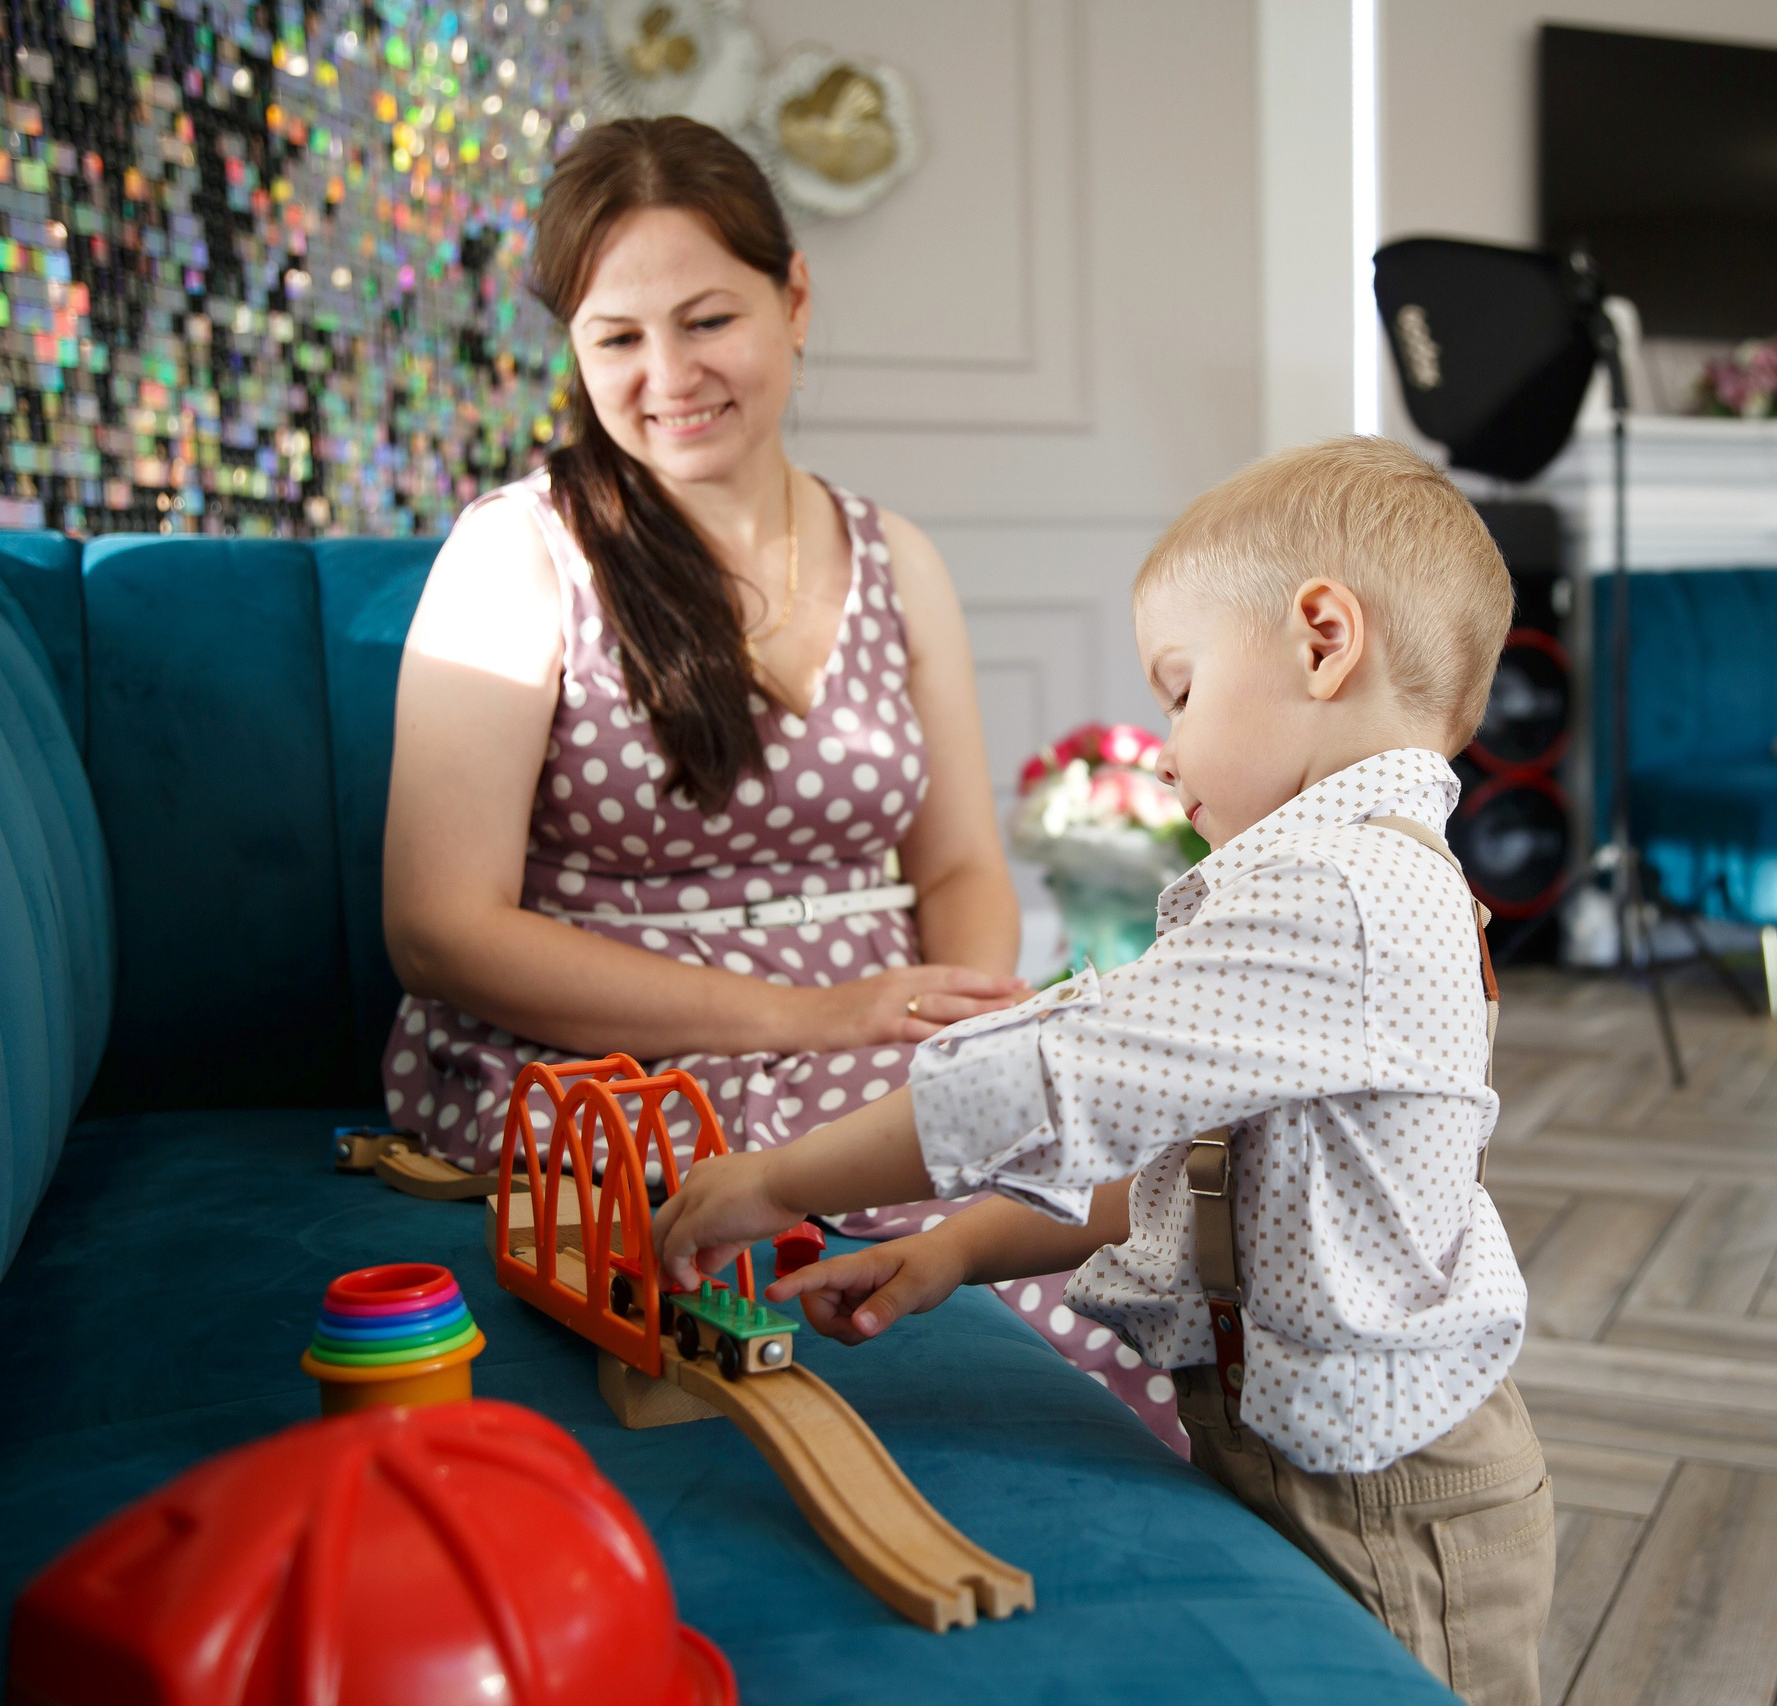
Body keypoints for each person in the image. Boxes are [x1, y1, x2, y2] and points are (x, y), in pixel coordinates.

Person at [653, 437, 1556, 1706]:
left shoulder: (1348, 894)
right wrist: (956, 1249)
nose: (1165, 748)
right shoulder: (1324, 887)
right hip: (1298, 1448)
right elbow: (1196, 1178)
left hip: (1393, 1501)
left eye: (1180, 691)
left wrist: (782, 1177)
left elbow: (1055, 1073)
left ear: (1320, 638)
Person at [378, 116, 1181, 1443]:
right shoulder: (518, 554)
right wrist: (808, 1019)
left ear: (795, 297)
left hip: (867, 1035)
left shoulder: (895, 555)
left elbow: (963, 867)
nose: (666, 375)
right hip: (612, 1063)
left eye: (706, 321)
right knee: (1033, 1309)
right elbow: (440, 927)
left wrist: (964, 1029)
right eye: (615, 338)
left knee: (1136, 1219)